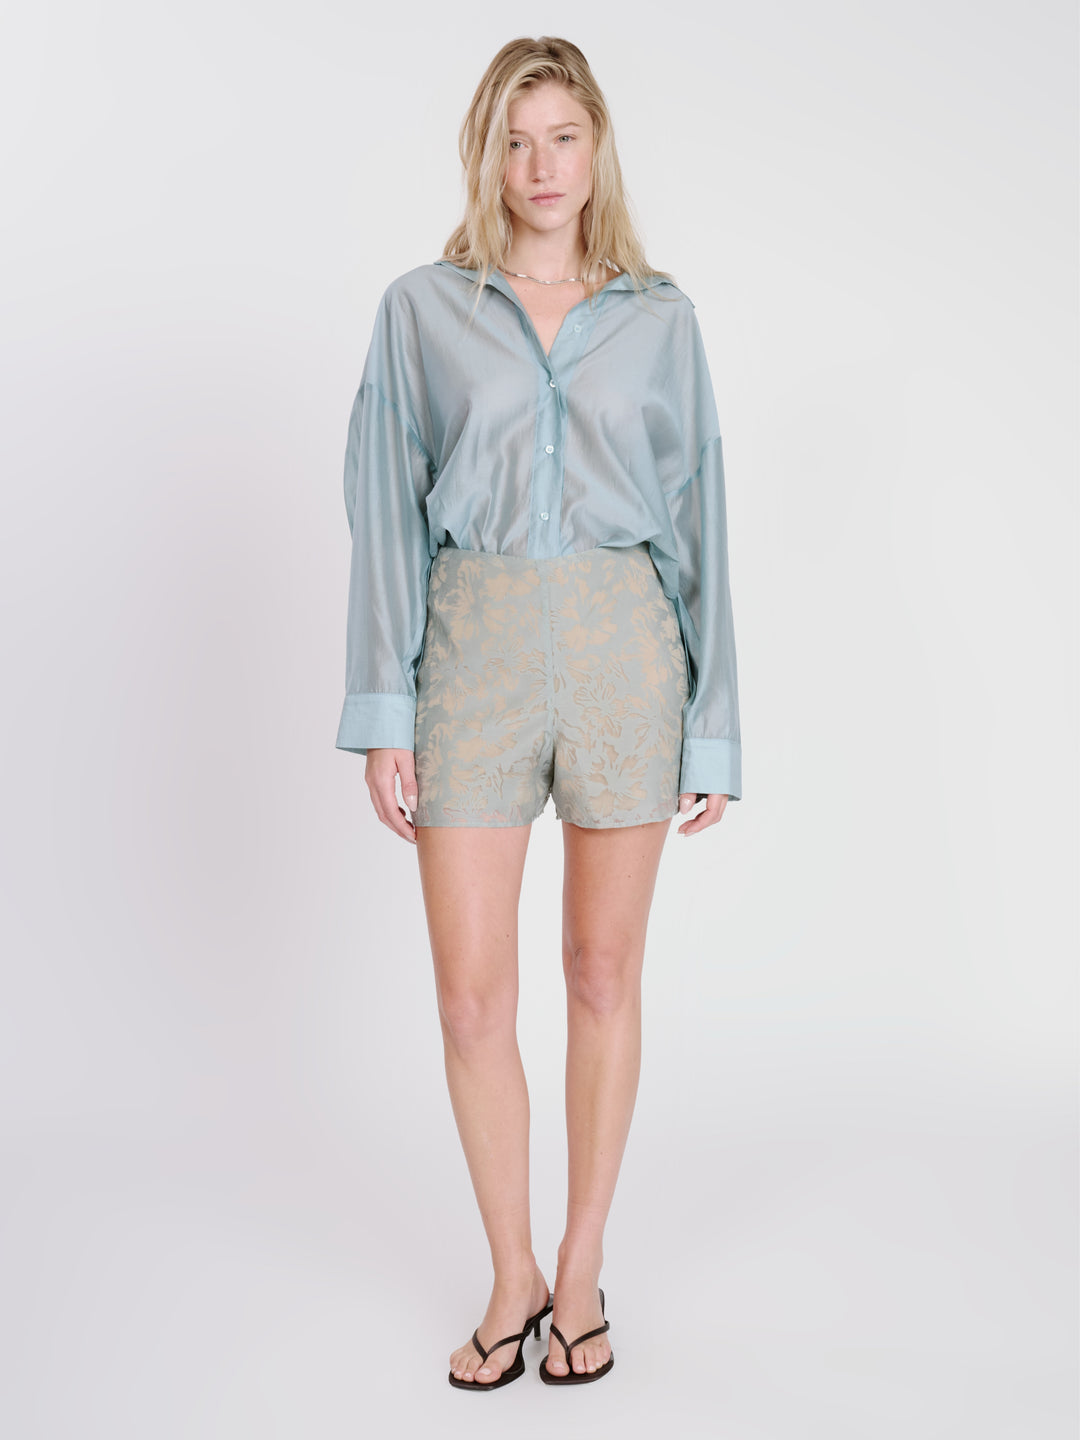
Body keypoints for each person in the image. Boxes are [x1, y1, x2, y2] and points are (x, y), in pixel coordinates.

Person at [334, 36, 742, 1388]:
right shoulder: (421, 310)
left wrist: (716, 720)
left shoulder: (661, 318)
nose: (540, 165)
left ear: (597, 148)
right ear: (486, 156)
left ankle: (579, 1267)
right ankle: (510, 1272)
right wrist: (383, 706)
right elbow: (384, 511)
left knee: (602, 974)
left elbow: (701, 518)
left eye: (562, 136)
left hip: (627, 646)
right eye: (516, 140)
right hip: (474, 647)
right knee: (470, 997)